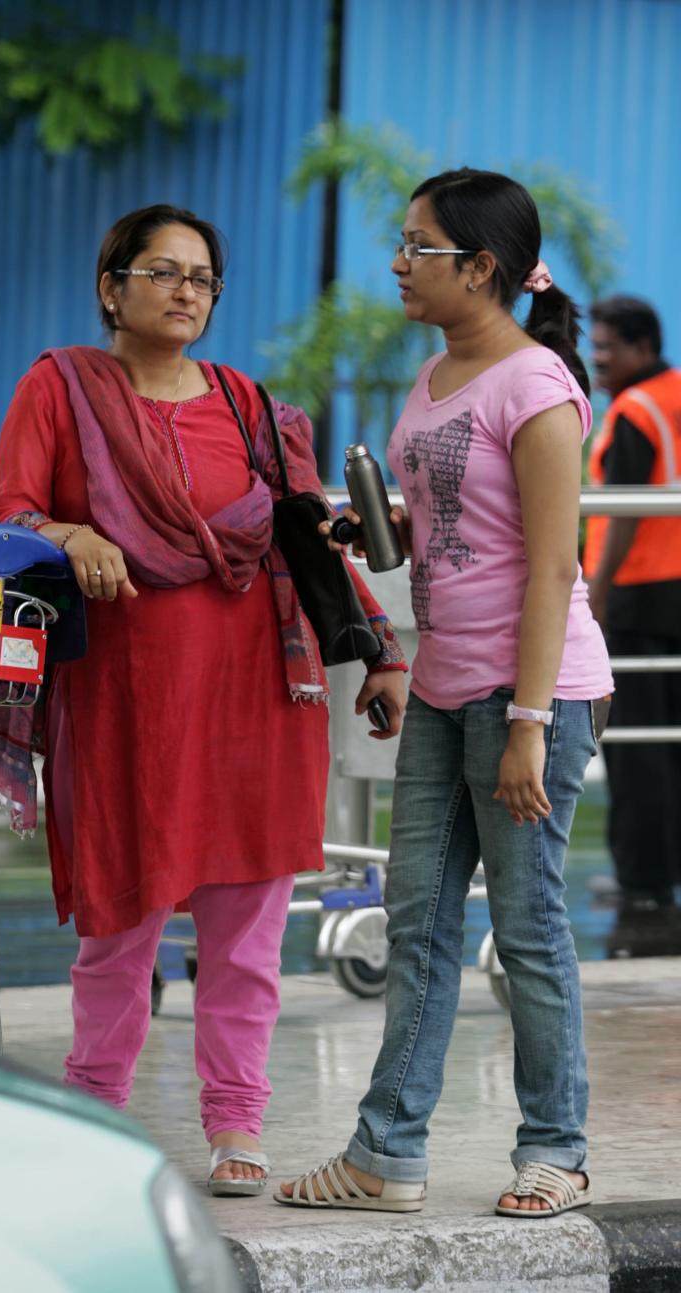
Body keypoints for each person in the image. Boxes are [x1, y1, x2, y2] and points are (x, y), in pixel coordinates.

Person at [0, 204, 408, 1195]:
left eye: (202, 279)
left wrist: (379, 651)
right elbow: (4, 514)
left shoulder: (252, 406)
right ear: (111, 286)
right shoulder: (61, 388)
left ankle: (234, 1121)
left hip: (259, 690)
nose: (184, 292)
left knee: (249, 928)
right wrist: (68, 534)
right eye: (163, 272)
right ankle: (94, 1105)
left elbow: (308, 537)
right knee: (119, 917)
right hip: (125, 697)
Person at [276, 168, 613, 1218]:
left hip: (534, 695)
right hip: (442, 682)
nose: (396, 263)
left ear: (482, 267)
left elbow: (553, 567)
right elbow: (463, 526)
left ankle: (555, 1150)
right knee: (412, 915)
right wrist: (379, 530)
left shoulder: (538, 387)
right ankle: (386, 1156)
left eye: (418, 246)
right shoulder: (434, 378)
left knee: (525, 925)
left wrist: (525, 725)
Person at [583, 297, 681, 911]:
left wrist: (594, 596)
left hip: (639, 597)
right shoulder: (674, 393)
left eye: (608, 347)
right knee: (672, 740)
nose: (598, 359)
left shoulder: (635, 410)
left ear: (642, 347)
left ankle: (643, 881)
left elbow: (618, 511)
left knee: (639, 745)